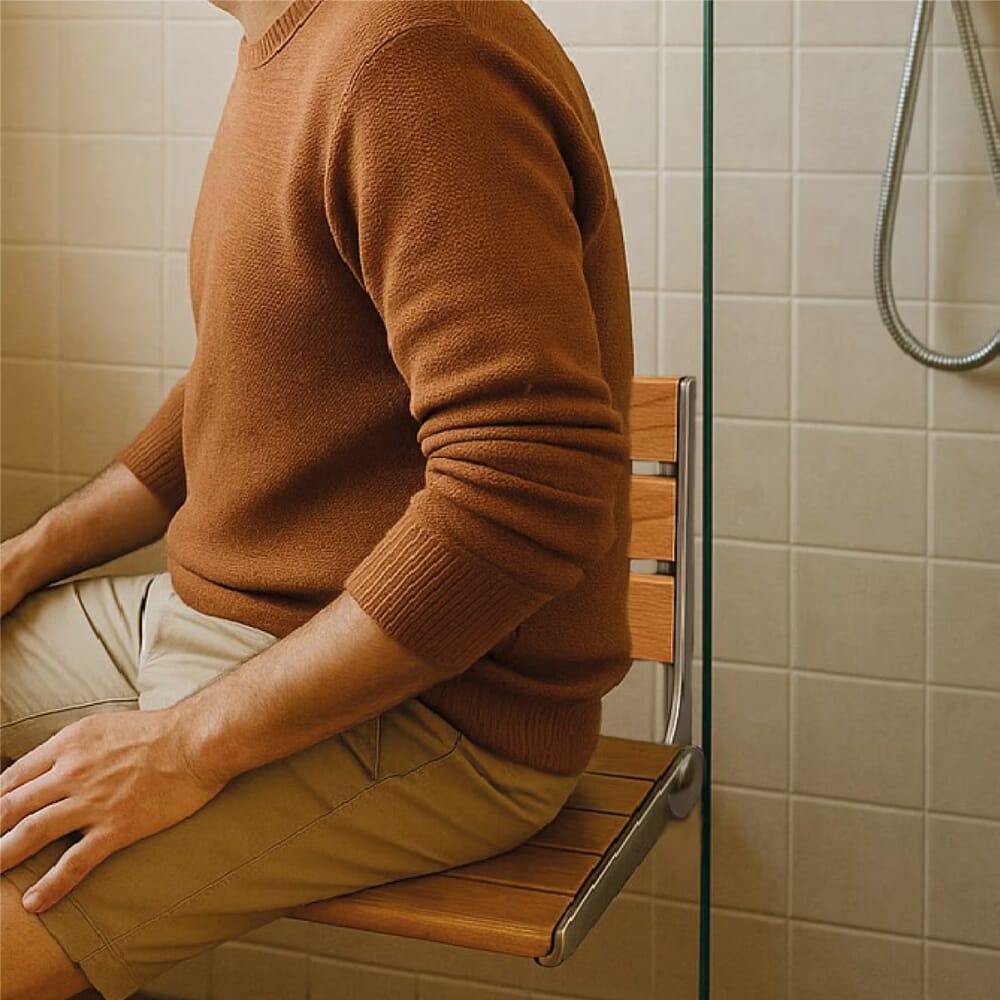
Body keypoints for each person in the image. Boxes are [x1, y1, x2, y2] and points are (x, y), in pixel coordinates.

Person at [0, 1, 634, 997]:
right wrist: (28, 555)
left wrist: (187, 747)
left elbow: (530, 479)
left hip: (439, 709)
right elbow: (252, 377)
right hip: (215, 624)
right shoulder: (293, 37)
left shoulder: (411, 53)